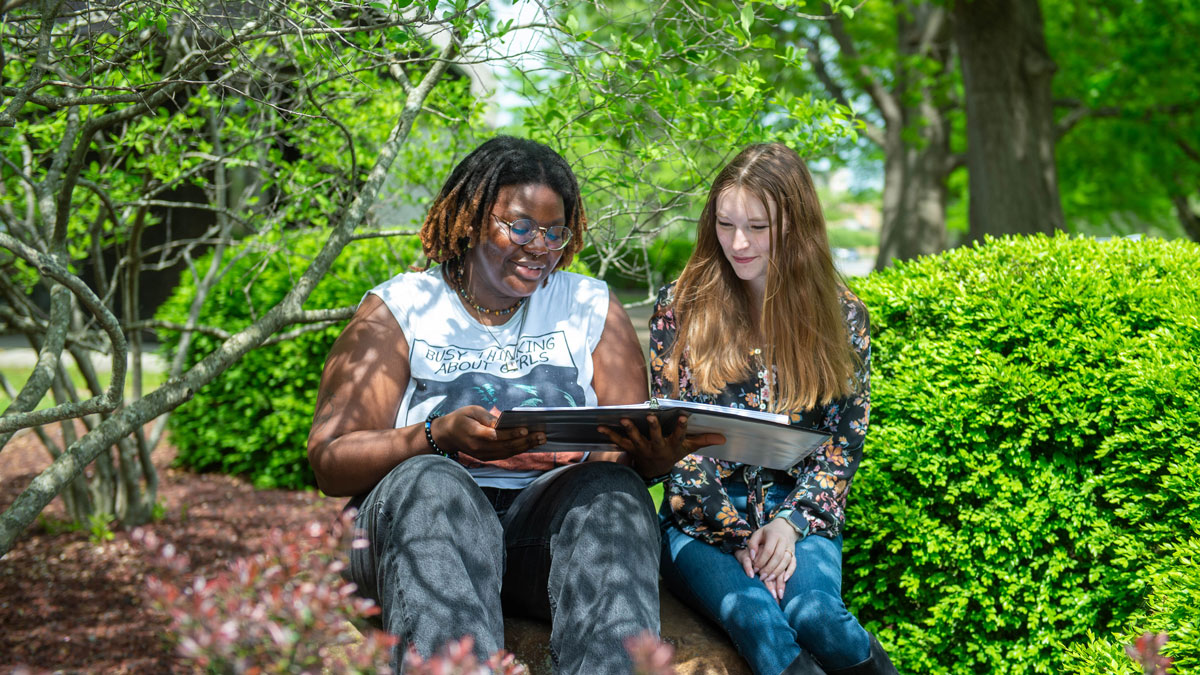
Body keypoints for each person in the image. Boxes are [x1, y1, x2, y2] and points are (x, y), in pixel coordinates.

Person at [307, 136, 720, 673]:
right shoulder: (400, 309)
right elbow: (329, 461)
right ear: (473, 218)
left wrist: (652, 459)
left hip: (537, 538)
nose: (540, 246)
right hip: (420, 530)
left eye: (555, 232)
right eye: (520, 226)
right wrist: (435, 436)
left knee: (613, 493)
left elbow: (621, 448)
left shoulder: (588, 305)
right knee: (430, 481)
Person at [645, 143, 895, 675]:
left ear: (795, 224)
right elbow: (675, 438)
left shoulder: (841, 314)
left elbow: (842, 441)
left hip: (798, 512)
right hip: (700, 520)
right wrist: (737, 535)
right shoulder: (679, 309)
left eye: (758, 227)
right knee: (756, 618)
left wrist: (789, 525)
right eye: (725, 223)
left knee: (819, 615)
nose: (738, 243)